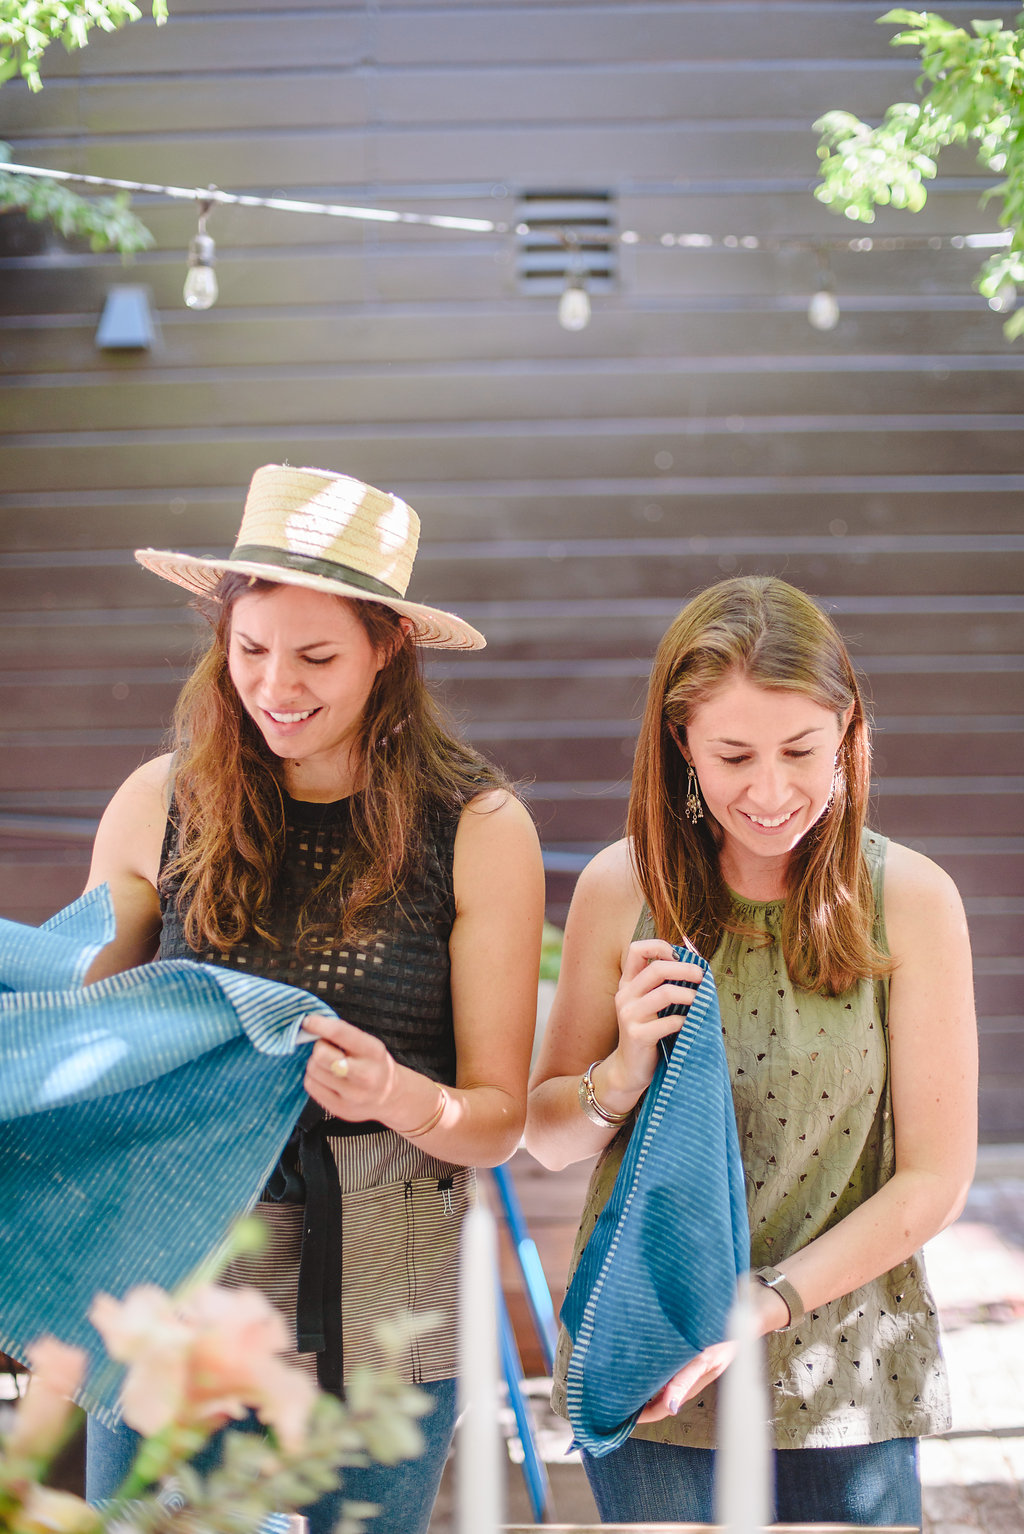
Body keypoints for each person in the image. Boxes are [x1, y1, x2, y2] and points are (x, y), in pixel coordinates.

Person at [80, 464, 545, 1534]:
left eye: (317, 655)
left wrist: (399, 1096)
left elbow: (497, 1119)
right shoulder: (160, 803)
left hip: (386, 1295)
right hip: (175, 1268)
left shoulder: (477, 827)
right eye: (250, 650)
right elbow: (83, 1049)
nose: (276, 683)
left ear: (389, 647)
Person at [525, 574, 977, 1527]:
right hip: (654, 1358)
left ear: (847, 730)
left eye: (800, 751)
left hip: (844, 1365)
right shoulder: (623, 887)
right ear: (681, 743)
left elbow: (933, 1180)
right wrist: (620, 1074)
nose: (769, 793)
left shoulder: (914, 900)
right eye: (733, 755)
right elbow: (549, 1137)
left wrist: (758, 1309)